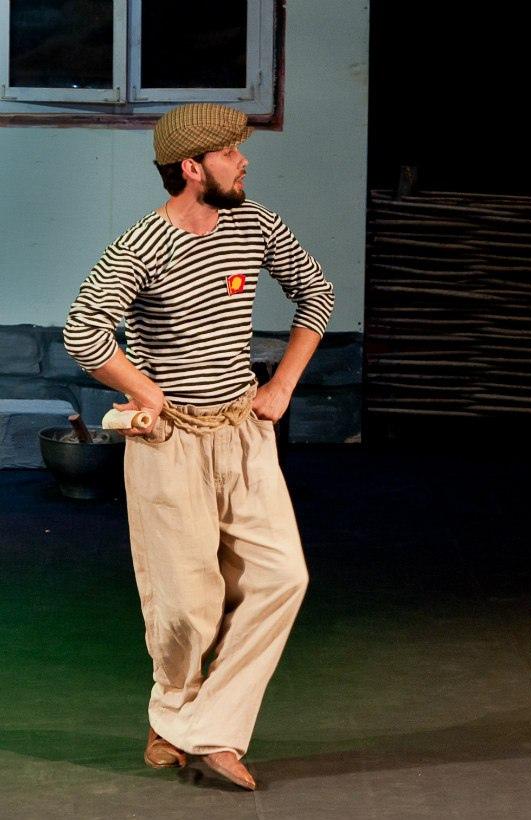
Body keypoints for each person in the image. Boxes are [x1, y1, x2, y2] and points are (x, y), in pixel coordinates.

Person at [63, 102, 335, 790]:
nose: (244, 162)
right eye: (230, 153)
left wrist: (282, 385)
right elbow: (83, 331)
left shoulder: (254, 224)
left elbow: (317, 293)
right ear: (192, 167)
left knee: (283, 577)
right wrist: (146, 393)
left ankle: (200, 728)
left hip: (243, 433)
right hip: (172, 445)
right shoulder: (143, 246)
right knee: (187, 604)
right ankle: (176, 713)